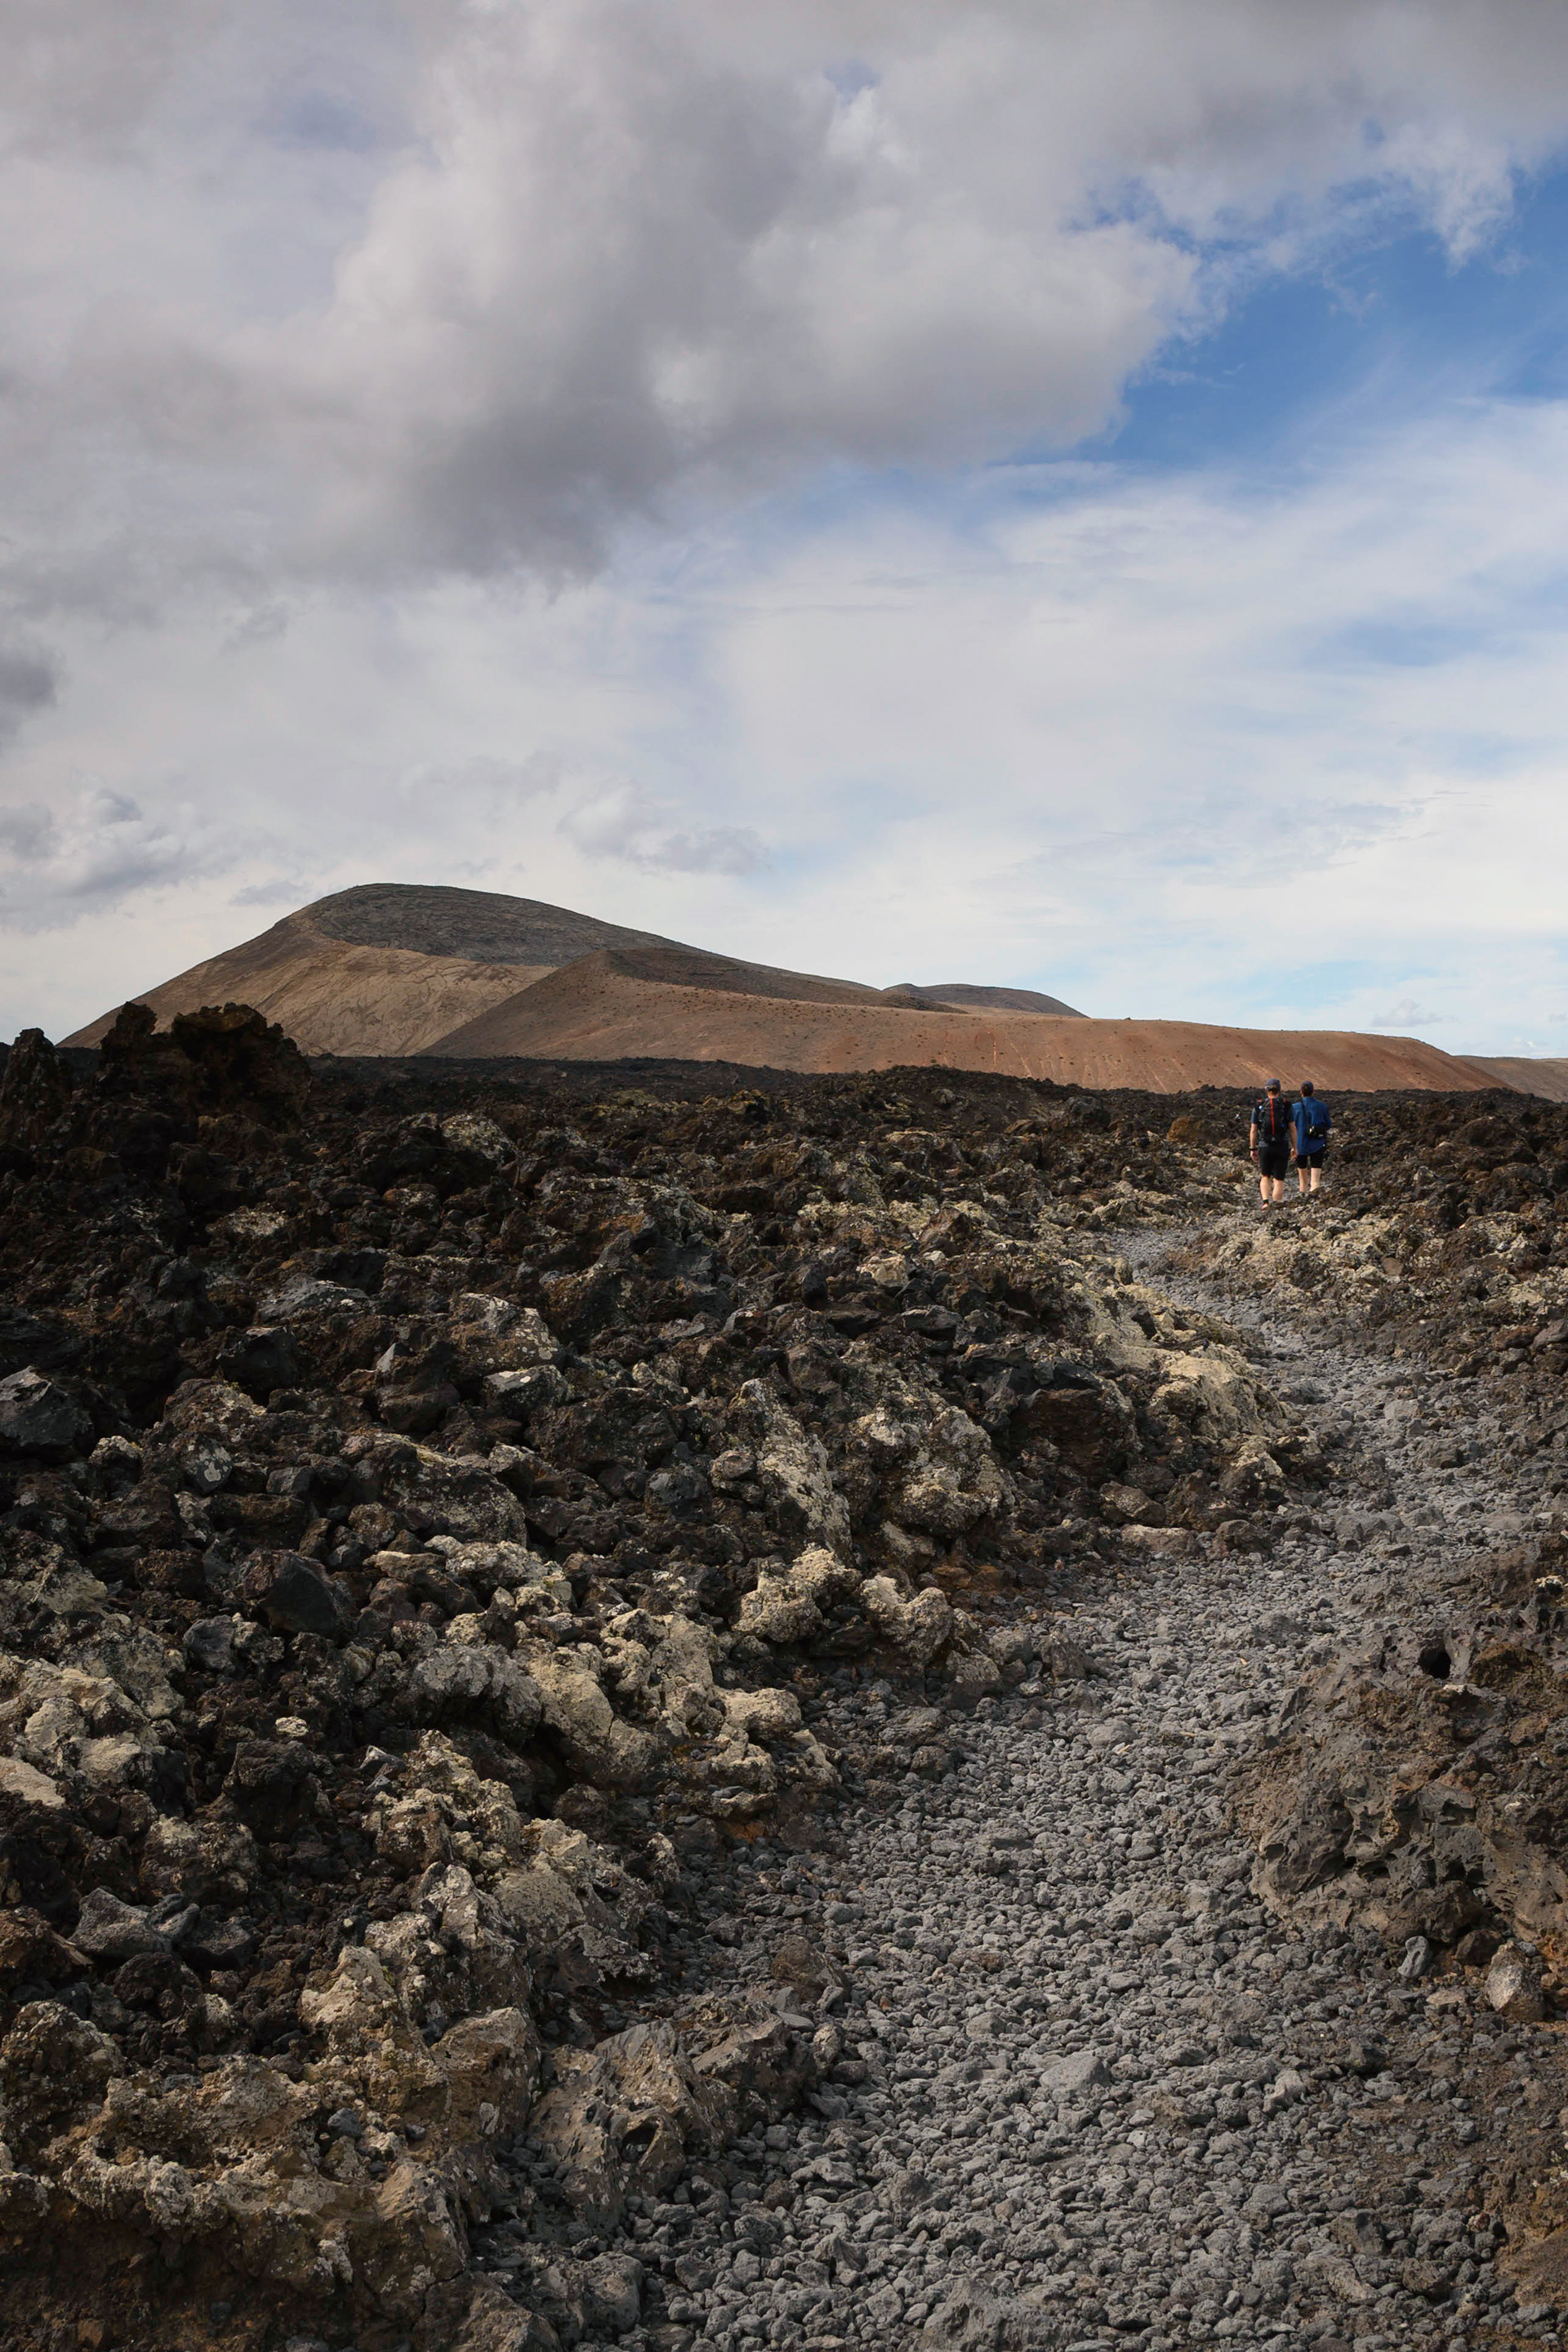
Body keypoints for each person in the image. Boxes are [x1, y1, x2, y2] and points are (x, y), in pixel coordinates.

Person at [1249, 1077, 1294, 1207]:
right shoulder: (1287, 1106)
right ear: (1279, 1090)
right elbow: (1293, 1129)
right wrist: (1295, 1147)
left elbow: (1253, 1130)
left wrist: (1253, 1148)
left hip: (1264, 1145)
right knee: (1279, 1178)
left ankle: (1265, 1203)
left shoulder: (1259, 1107)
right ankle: (1277, 1203)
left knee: (1265, 1176)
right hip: (1281, 1145)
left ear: (1266, 1090)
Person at [1291, 1080, 1331, 1196]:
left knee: (1302, 1182)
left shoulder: (1294, 1108)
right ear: (1313, 1092)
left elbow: (1291, 1128)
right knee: (1315, 1181)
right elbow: (1328, 1125)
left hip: (1300, 1145)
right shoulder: (1321, 1107)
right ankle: (1314, 1197)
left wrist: (1292, 1146)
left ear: (1301, 1092)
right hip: (1317, 1144)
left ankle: (1302, 1196)